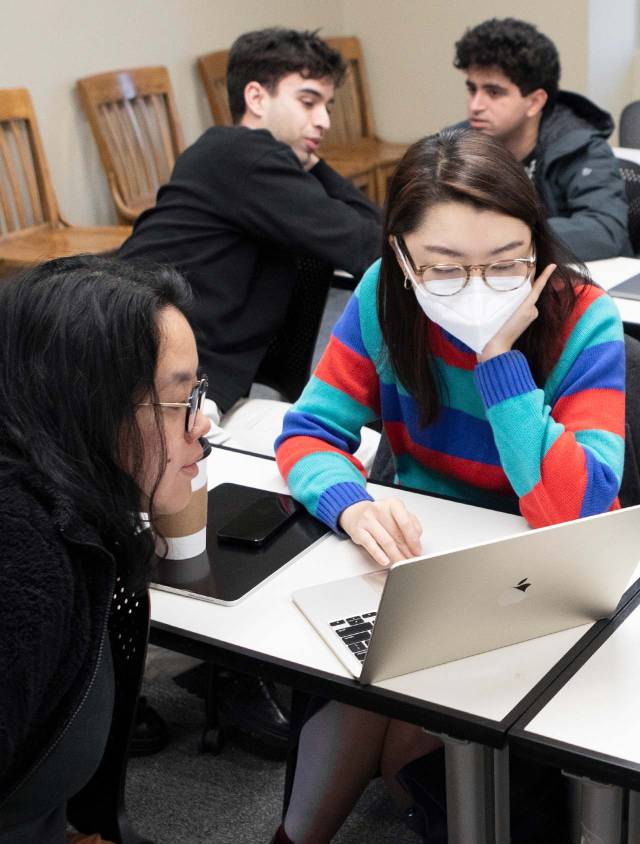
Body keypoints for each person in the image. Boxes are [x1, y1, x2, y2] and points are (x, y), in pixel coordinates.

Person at [272, 129, 625, 843]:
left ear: (537, 246)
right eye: (443, 269)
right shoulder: (383, 298)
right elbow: (306, 434)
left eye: (504, 265)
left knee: (405, 728)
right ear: (401, 257)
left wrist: (499, 362)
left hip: (542, 584)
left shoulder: (585, 317)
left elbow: (578, 510)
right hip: (424, 563)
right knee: (367, 685)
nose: (474, 290)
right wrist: (353, 501)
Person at [0, 256, 211, 843]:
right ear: (90, 402)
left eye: (198, 393)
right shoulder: (23, 551)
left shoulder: (66, 508)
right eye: (180, 401)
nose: (202, 427)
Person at [119, 26, 382, 455]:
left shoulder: (238, 157)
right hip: (161, 385)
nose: (324, 121)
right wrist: (314, 167)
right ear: (257, 98)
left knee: (355, 456)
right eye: (308, 101)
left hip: (200, 378)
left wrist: (312, 164)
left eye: (326, 106)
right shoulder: (247, 156)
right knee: (356, 459)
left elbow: (376, 237)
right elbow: (371, 243)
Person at [451, 16, 631, 262]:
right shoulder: (453, 145)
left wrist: (499, 237)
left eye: (493, 92)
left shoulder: (579, 147)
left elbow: (605, 232)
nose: (476, 105)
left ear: (535, 102)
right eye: (472, 89)